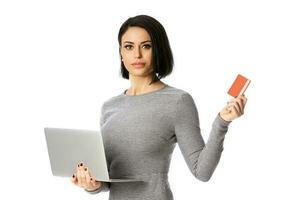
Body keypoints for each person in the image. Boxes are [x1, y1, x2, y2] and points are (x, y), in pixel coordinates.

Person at [70, 15, 247, 200]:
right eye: (129, 46)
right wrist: (91, 184)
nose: (137, 54)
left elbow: (202, 172)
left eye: (146, 46)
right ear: (121, 52)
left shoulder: (178, 101)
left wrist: (222, 122)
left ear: (158, 50)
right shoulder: (109, 107)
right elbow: (108, 180)